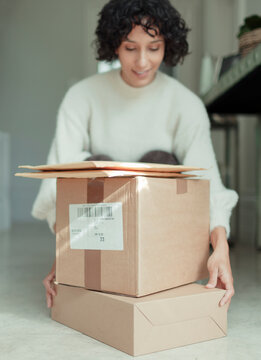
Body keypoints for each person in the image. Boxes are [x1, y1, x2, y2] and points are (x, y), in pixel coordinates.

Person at [32, 0, 238, 309]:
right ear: (114, 45)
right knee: (89, 167)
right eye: (130, 48)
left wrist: (220, 248)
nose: (142, 61)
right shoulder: (81, 97)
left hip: (160, 231)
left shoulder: (185, 104)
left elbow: (208, 183)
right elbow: (58, 183)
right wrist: (66, 257)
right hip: (102, 230)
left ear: (168, 45)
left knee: (162, 160)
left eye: (154, 48)